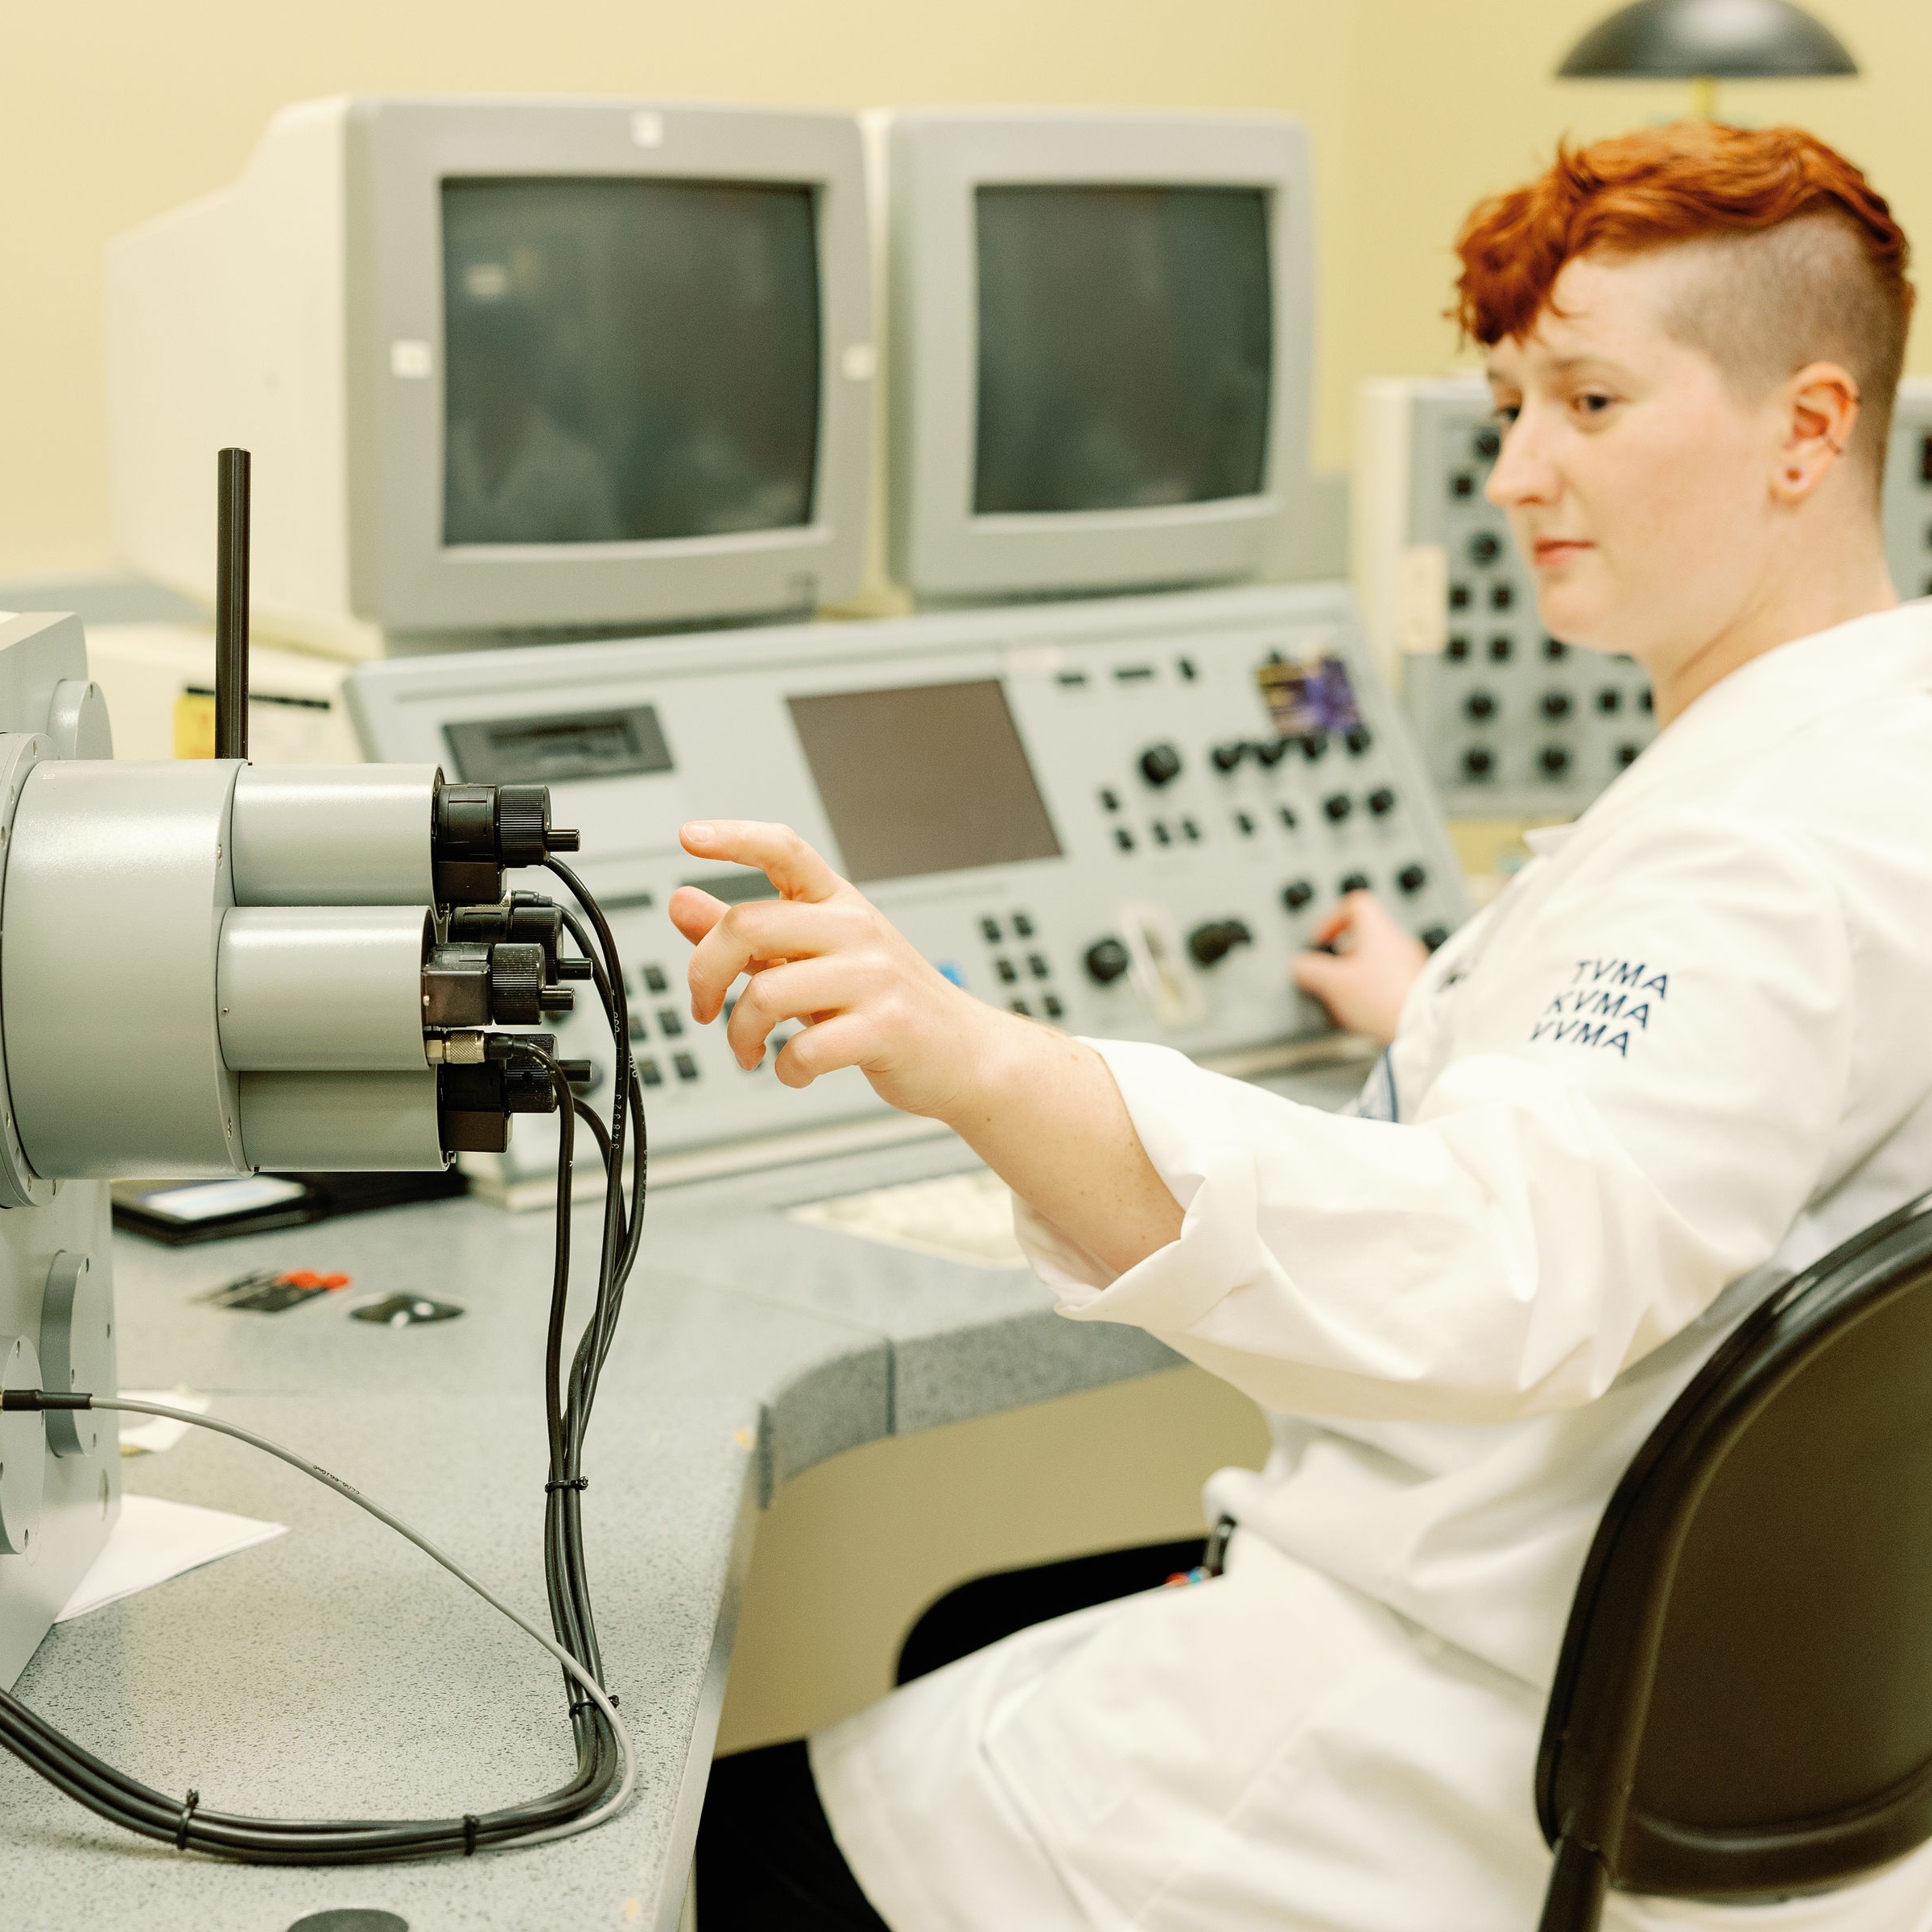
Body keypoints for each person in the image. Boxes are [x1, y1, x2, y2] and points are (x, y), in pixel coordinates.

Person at [686, 122, 1932, 1930]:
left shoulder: (1768, 855)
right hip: (1705, 1748)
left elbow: (1507, 1267)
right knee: (971, 1627)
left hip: (1429, 1743)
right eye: (1512, 406)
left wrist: (972, 1057)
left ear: (1810, 432)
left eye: (1587, 403)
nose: (1515, 473)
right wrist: (1452, 1004)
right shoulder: (1873, 750)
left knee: (716, 1855)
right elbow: (1734, 1103)